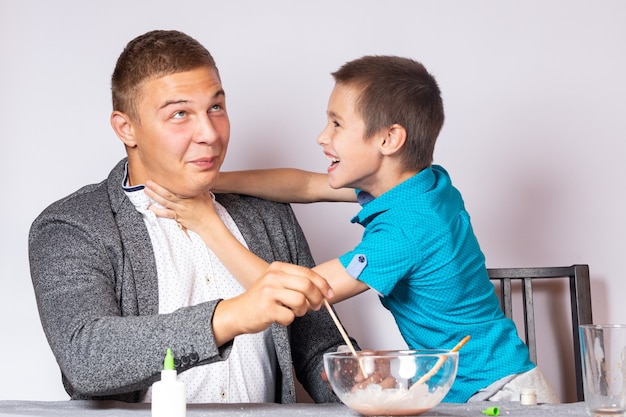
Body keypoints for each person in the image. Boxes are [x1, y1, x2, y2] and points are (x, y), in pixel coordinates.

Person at [145, 55, 559, 403]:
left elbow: (293, 293)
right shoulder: (421, 184)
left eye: (337, 124)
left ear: (389, 139)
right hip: (486, 385)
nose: (322, 136)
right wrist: (212, 181)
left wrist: (205, 220)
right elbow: (303, 185)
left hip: (494, 396)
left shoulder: (408, 231)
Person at [28, 29, 358, 404]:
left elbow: (320, 347)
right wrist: (232, 316)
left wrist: (363, 387)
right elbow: (86, 360)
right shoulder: (72, 226)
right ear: (126, 127)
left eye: (215, 107)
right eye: (180, 114)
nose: (209, 134)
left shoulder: (267, 214)